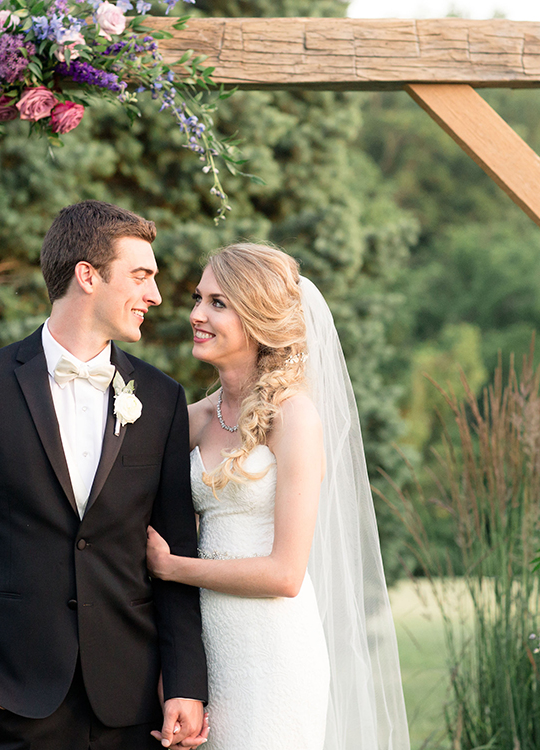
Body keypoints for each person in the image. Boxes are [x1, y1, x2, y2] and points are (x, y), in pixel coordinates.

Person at [0, 201, 208, 750]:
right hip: (13, 693)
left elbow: (175, 552)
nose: (156, 297)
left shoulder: (162, 399)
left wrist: (186, 684)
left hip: (132, 698)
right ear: (88, 275)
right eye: (142, 276)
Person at [146, 243, 411, 750]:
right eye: (199, 298)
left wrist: (173, 566)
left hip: (273, 655)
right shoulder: (193, 418)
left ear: (259, 318)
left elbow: (285, 574)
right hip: (209, 649)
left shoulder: (294, 419)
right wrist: (176, 676)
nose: (196, 314)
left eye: (218, 303)